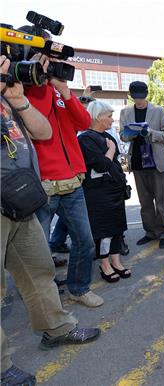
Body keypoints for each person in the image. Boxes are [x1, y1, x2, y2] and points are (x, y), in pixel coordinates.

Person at [0, 55, 100, 386]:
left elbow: (42, 131)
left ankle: (56, 329)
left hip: (20, 200)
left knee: (41, 271)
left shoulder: (11, 94)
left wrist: (18, 99)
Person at [23, 43, 103, 308]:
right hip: (43, 186)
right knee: (40, 250)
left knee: (85, 241)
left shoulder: (59, 92)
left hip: (72, 183)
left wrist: (65, 91)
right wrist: (41, 83)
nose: (52, 65)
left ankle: (78, 288)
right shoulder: (26, 93)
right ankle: (44, 302)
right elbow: (40, 126)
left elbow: (83, 122)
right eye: (48, 61)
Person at [78, 100, 131, 283]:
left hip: (114, 190)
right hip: (99, 193)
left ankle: (115, 260)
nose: (112, 119)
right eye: (109, 116)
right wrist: (111, 149)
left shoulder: (106, 135)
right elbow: (101, 165)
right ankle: (104, 263)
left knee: (117, 227)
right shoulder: (85, 138)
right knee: (104, 230)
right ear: (98, 117)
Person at [120, 81, 164, 249]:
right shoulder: (125, 112)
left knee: (161, 200)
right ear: (131, 96)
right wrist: (131, 134)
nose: (139, 101)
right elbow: (122, 135)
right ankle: (150, 232)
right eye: (135, 98)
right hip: (137, 161)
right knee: (145, 201)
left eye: (141, 97)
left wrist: (150, 133)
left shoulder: (158, 111)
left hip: (156, 161)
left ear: (146, 94)